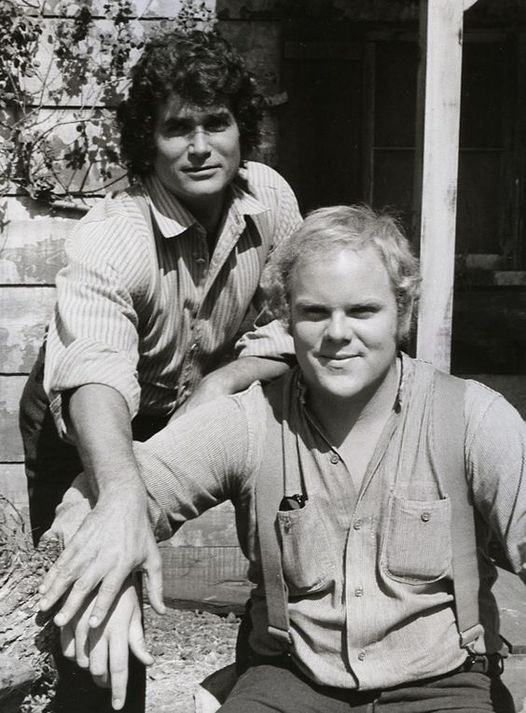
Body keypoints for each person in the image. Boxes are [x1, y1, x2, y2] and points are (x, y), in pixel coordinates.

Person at [48, 204, 525, 712]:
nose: (337, 333)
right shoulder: (252, 423)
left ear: (401, 313)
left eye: (363, 311)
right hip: (292, 682)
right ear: (287, 318)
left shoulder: (471, 417)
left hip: (442, 684)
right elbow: (101, 488)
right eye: (315, 312)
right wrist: (111, 573)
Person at [21, 28, 301, 712]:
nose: (200, 145)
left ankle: (260, 682)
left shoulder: (273, 200)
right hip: (94, 414)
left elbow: (291, 321)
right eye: (178, 127)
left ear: (243, 128)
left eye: (217, 121)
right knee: (97, 604)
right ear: (148, 142)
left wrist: (222, 381)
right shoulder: (114, 235)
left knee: (283, 537)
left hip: (214, 396)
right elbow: (95, 374)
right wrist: (118, 494)